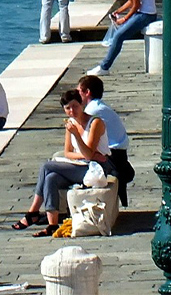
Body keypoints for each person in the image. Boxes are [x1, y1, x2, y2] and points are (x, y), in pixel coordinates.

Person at [11, 90, 110, 236]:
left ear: (82, 104)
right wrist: (84, 155)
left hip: (96, 169)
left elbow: (89, 154)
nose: (72, 111)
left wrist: (77, 135)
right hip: (81, 164)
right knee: (51, 178)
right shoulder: (71, 123)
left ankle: (33, 212)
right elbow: (68, 152)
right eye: (68, 108)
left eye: (75, 106)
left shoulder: (95, 123)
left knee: (46, 166)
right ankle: (52, 224)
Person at [87, 0, 157, 76]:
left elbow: (136, 5)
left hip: (147, 14)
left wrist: (124, 19)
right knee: (118, 35)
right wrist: (118, 11)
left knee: (118, 36)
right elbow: (130, 1)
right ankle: (104, 66)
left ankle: (104, 67)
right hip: (142, 13)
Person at [77, 73, 134, 205]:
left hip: (112, 157)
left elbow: (86, 142)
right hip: (119, 154)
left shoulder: (92, 111)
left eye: (79, 91)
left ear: (87, 92)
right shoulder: (101, 106)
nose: (77, 94)